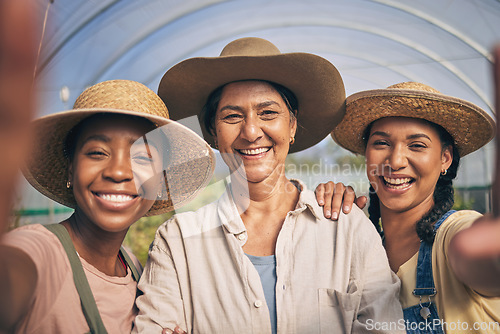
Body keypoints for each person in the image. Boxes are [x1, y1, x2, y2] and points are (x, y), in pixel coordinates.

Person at [133, 37, 404, 334]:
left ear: (292, 126)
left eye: (268, 113)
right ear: (213, 132)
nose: (250, 132)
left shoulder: (347, 229)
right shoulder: (178, 241)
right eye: (232, 116)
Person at [0, 79, 215, 334]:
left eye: (142, 158)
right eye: (97, 153)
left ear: (159, 181)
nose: (118, 172)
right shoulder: (40, 251)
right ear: (71, 170)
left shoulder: (134, 270)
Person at [317, 71, 500, 332]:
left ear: (445, 159)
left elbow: (484, 257)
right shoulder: (358, 250)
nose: (395, 161)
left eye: (417, 145)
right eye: (381, 143)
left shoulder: (452, 236)